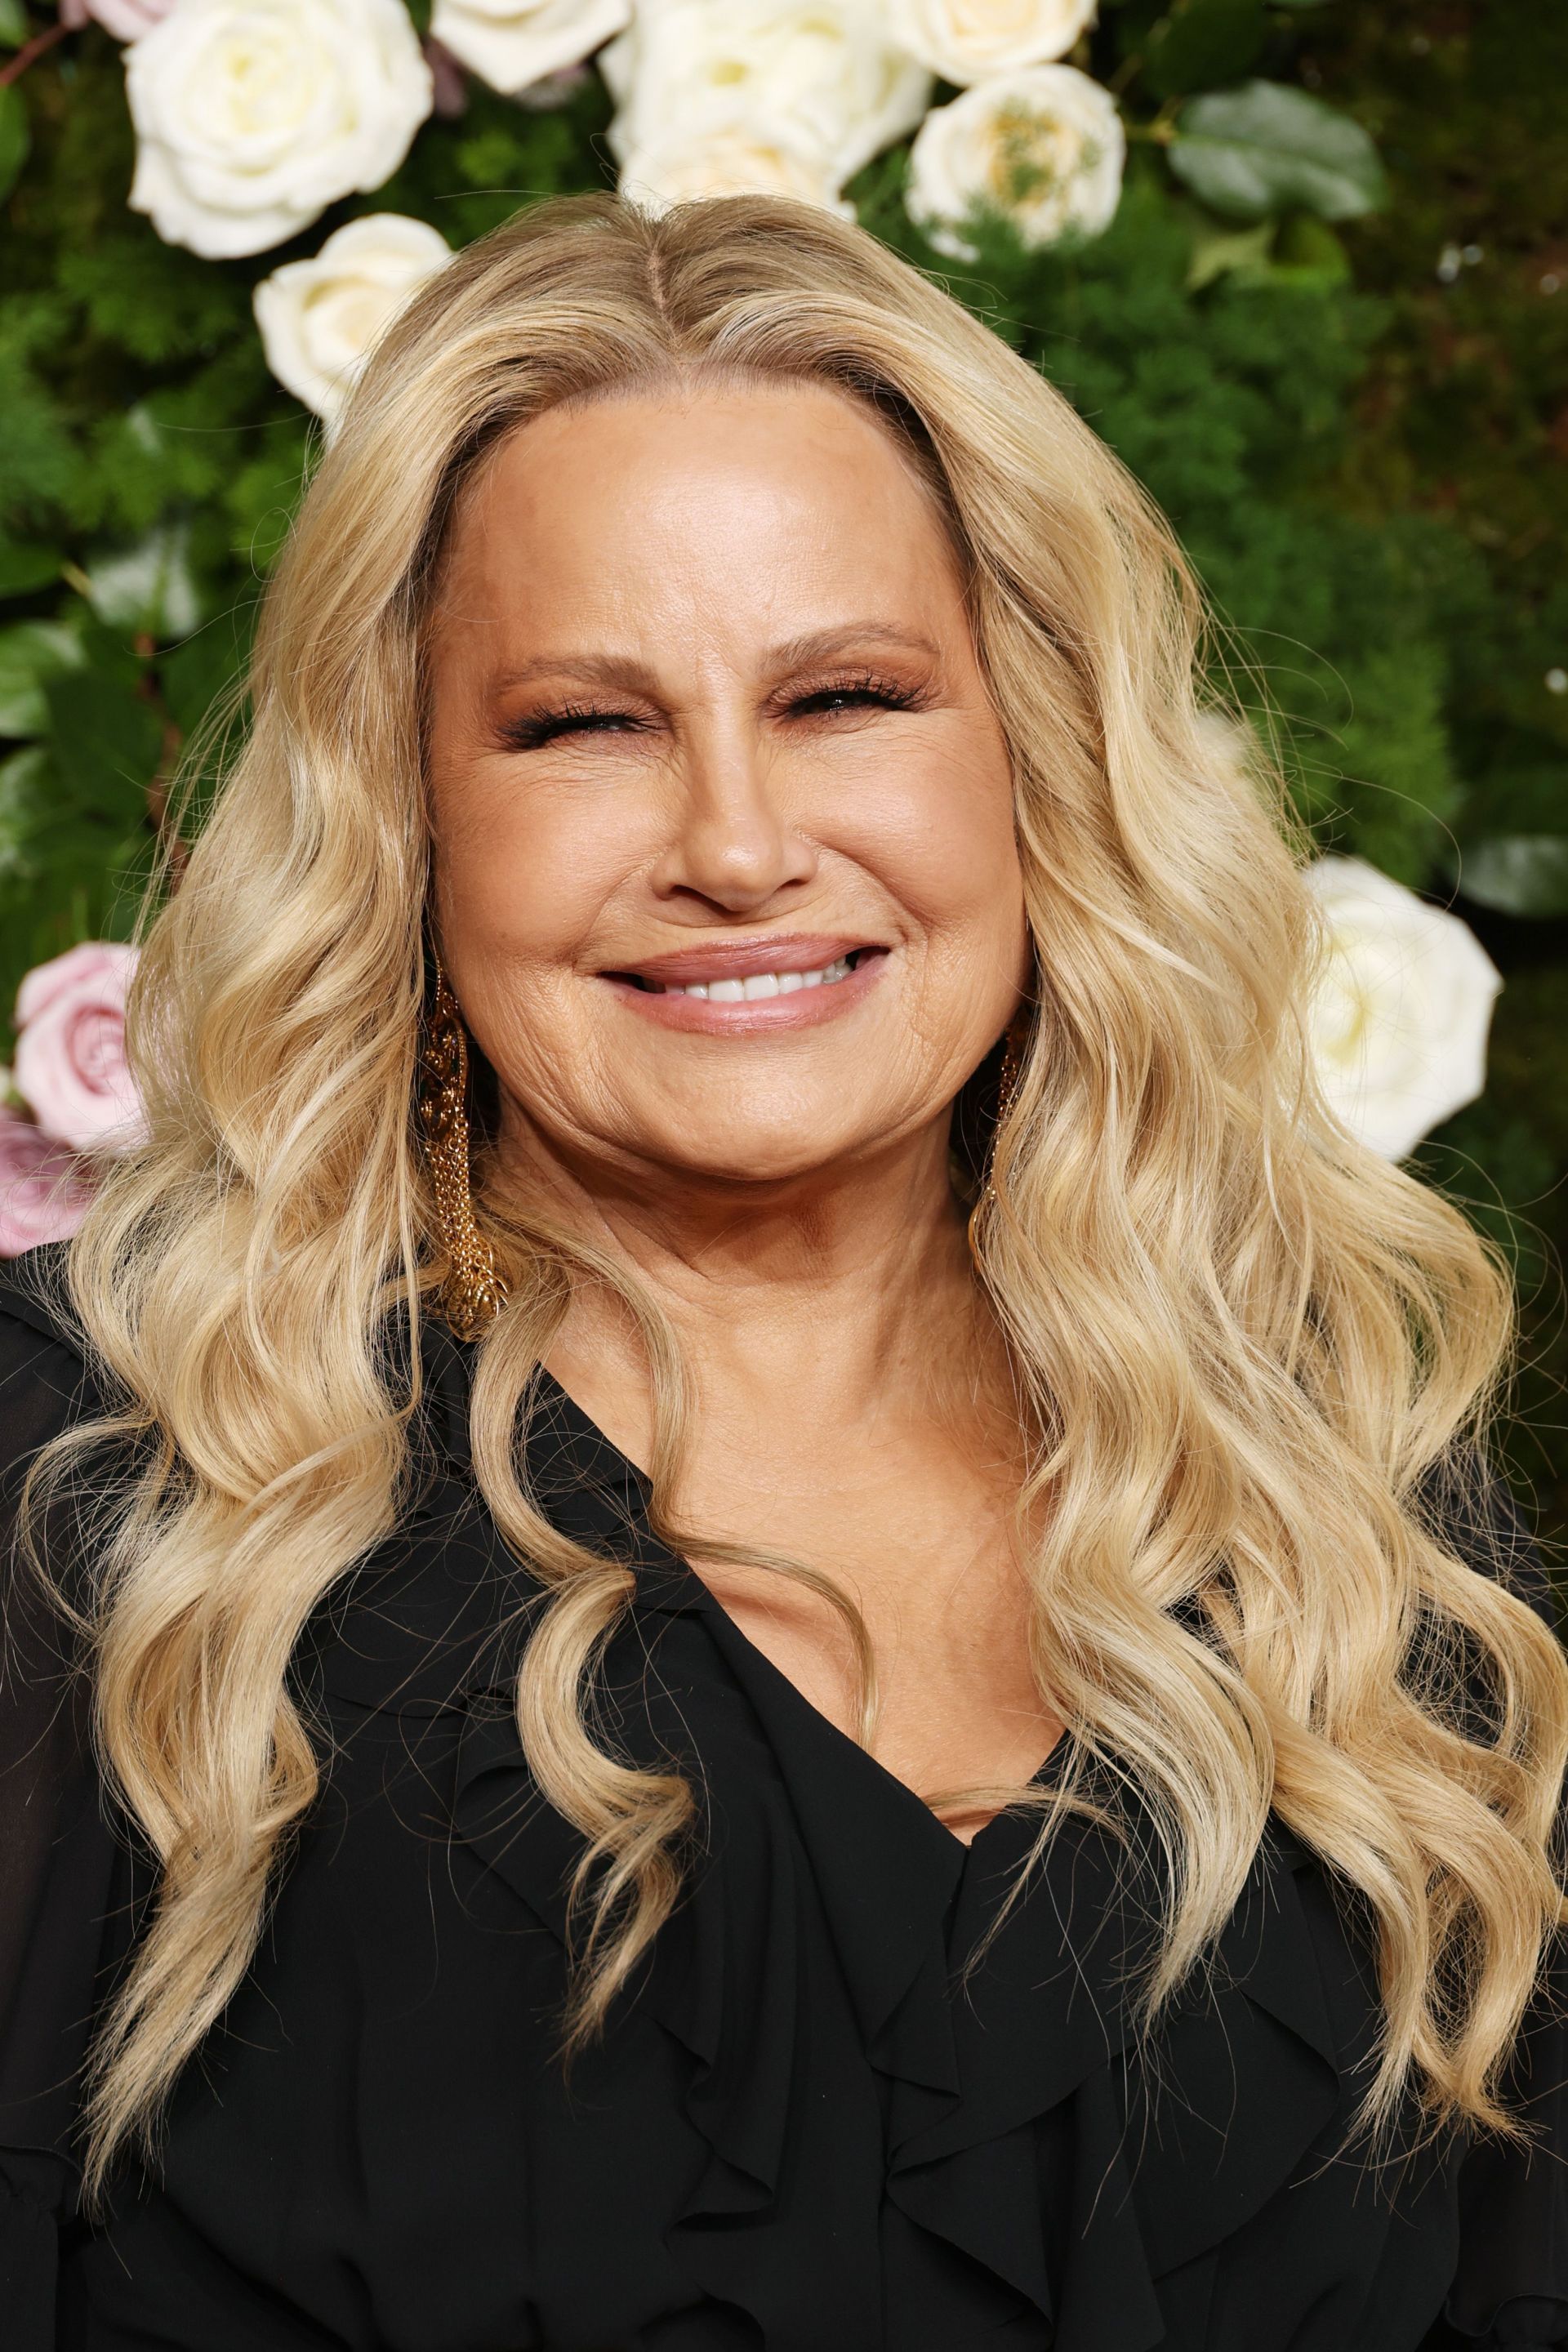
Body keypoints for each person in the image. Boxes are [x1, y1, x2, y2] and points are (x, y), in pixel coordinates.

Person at [2, 190, 1566, 2352]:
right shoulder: (99, 1512)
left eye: (842, 695)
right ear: (410, 814)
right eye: (581, 724)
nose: (736, 844)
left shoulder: (1341, 1525)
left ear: (1038, 754)